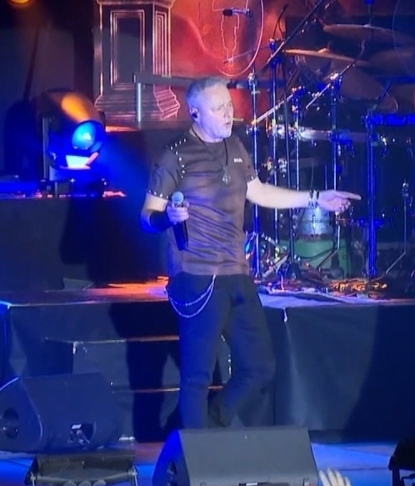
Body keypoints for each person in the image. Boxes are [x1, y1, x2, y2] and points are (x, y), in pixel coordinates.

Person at [141, 76, 360, 429]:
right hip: (196, 275)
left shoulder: (236, 147)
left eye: (228, 106)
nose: (228, 114)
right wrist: (168, 217)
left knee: (260, 366)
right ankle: (195, 453)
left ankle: (208, 432)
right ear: (195, 113)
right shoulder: (175, 155)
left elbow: (259, 192)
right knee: (197, 376)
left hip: (237, 273)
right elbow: (147, 217)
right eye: (218, 109)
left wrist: (317, 198)